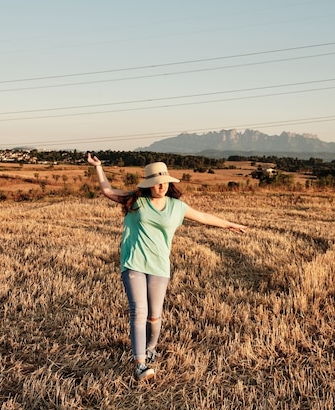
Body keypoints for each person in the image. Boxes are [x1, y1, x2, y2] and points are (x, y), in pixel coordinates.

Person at [86, 153, 246, 381]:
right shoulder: (136, 201)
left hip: (160, 265)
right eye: (155, 183)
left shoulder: (177, 206)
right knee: (138, 312)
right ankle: (140, 363)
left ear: (169, 183)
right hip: (134, 263)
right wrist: (98, 167)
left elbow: (202, 216)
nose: (160, 186)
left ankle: (151, 348)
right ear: (148, 185)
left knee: (155, 315)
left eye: (164, 182)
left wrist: (228, 224)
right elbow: (108, 191)